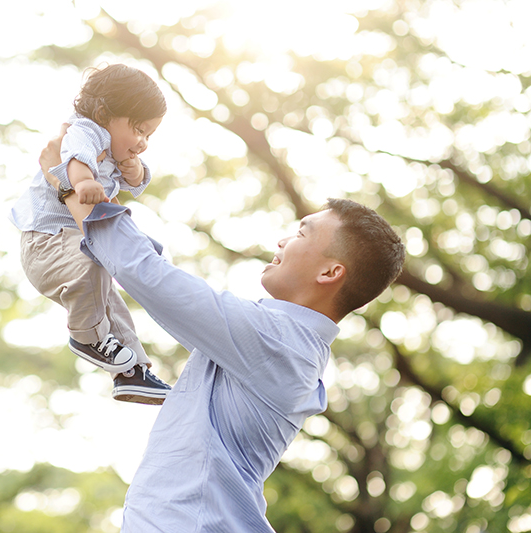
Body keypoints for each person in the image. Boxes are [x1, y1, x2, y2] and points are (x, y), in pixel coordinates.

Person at [39, 128, 406, 532]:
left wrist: (67, 185)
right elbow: (147, 273)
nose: (284, 240)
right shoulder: (280, 341)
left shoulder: (282, 343)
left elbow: (147, 274)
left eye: (301, 233)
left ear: (330, 272)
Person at [10, 64, 172, 404]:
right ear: (103, 114)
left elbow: (136, 182)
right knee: (94, 263)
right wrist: (83, 182)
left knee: (112, 306)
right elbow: (74, 158)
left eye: (149, 136)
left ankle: (132, 373)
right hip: (47, 241)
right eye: (139, 130)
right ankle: (86, 337)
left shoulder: (116, 150)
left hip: (68, 240)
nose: (142, 142)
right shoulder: (86, 131)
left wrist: (138, 170)